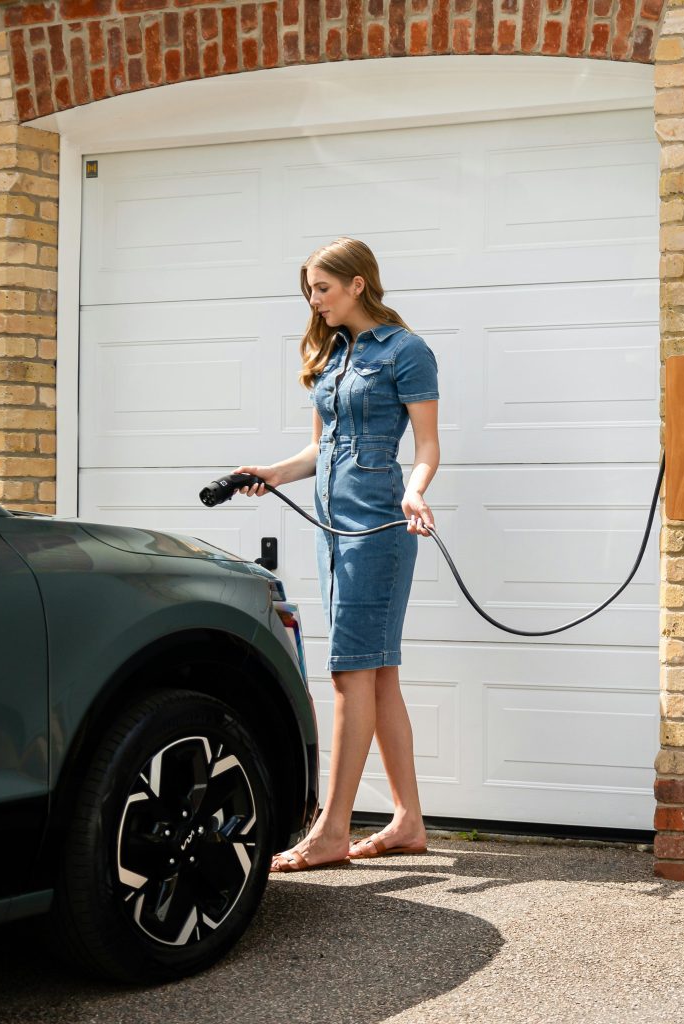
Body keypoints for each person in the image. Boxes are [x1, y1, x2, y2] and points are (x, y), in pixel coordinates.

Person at [233, 237, 440, 870]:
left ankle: (332, 830)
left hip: (379, 524)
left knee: (351, 671)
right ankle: (407, 822)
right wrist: (269, 472)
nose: (314, 301)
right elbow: (317, 451)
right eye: (310, 290)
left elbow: (428, 446)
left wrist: (414, 491)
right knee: (377, 674)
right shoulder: (332, 355)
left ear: (357, 284)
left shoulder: (407, 351)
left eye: (323, 288)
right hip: (332, 529)